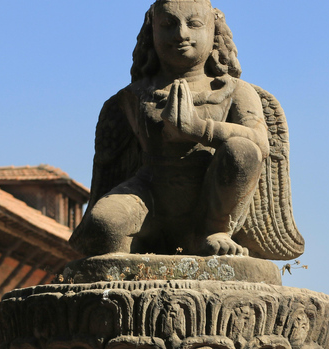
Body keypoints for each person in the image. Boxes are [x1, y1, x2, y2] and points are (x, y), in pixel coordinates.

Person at [70, 0, 303, 259]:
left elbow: (260, 142)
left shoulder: (236, 91)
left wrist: (199, 129)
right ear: (152, 31)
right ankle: (133, 255)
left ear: (213, 30)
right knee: (105, 226)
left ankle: (215, 233)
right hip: (150, 195)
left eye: (193, 24)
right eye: (168, 25)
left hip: (212, 200)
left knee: (242, 150)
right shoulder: (132, 97)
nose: (181, 34)